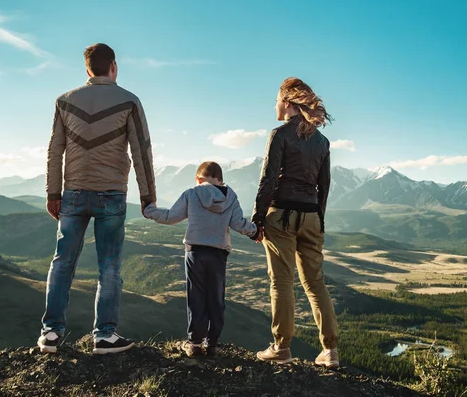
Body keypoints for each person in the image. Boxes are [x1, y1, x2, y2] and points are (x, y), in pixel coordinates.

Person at [38, 43, 156, 355]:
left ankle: (50, 333)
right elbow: (141, 150)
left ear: (88, 70)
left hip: (73, 192)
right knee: (110, 266)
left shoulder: (65, 101)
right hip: (112, 194)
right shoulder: (129, 101)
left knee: (62, 261)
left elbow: (54, 150)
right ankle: (104, 335)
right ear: (113, 66)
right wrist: (148, 196)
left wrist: (53, 193)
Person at [252, 77, 339, 367]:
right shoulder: (322, 141)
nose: (275, 105)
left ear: (287, 103)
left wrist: (258, 217)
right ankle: (330, 351)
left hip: (282, 215)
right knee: (316, 283)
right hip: (312, 215)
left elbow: (267, 178)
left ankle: (281, 347)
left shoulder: (279, 134)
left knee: (282, 282)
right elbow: (324, 186)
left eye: (277, 100)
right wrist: (319, 220)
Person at [144, 162, 262, 357]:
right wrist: (255, 232)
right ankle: (213, 343)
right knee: (215, 297)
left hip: (194, 252)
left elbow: (170, 217)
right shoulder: (230, 196)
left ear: (198, 179)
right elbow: (238, 224)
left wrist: (149, 211)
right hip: (218, 254)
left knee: (195, 296)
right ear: (221, 180)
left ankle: (195, 343)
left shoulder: (191, 193)